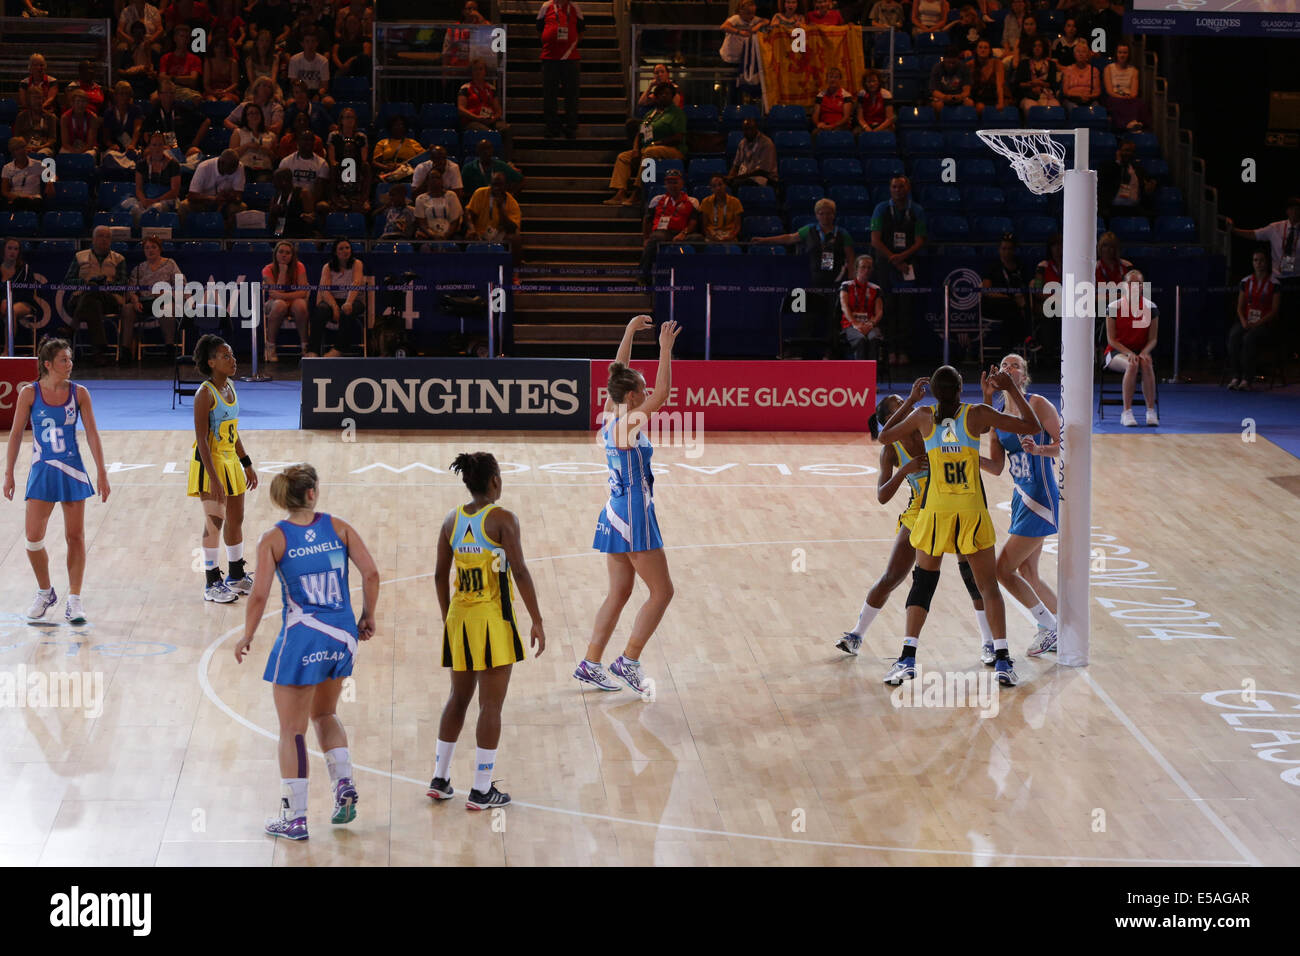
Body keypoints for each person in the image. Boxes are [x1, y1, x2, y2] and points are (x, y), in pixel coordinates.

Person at [234, 462, 380, 840]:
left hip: (303, 637)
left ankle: (294, 817)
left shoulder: (274, 538)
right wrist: (367, 616)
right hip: (341, 636)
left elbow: (261, 594)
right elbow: (371, 574)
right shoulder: (339, 527)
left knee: (291, 731)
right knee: (326, 713)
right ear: (312, 493)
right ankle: (343, 785)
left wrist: (247, 634)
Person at [876, 365, 1042, 687]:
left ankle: (907, 659)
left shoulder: (923, 416)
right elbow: (1032, 426)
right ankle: (1003, 660)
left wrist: (911, 401)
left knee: (923, 584)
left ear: (935, 393)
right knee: (988, 587)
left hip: (937, 512)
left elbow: (884, 435)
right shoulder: (977, 413)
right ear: (961, 388)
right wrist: (1010, 390)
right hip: (970, 512)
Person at [836, 384, 998, 661]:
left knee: (972, 578)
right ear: (891, 419)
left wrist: (986, 398)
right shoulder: (891, 449)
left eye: (907, 403)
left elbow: (976, 431)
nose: (908, 408)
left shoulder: (931, 426)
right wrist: (905, 471)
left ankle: (989, 643)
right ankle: (856, 634)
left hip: (954, 507)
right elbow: (882, 496)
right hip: (919, 513)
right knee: (892, 577)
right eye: (899, 406)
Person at [428, 452, 546, 809]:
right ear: (494, 480)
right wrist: (537, 619)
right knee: (490, 705)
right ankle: (480, 789)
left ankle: (440, 778)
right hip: (494, 620)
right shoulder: (503, 520)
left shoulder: (451, 519)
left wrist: (449, 618)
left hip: (460, 618)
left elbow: (438, 575)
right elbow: (521, 572)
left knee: (457, 700)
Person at [577, 315, 679, 694]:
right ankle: (629, 660)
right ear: (633, 397)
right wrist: (665, 351)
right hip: (633, 512)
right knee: (663, 592)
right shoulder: (628, 424)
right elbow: (663, 395)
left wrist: (628, 333)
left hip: (615, 511)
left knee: (619, 593)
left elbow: (616, 371)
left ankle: (590, 663)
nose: (646, 386)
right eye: (641, 386)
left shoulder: (612, 410)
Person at [3, 337, 110, 625]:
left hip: (72, 471)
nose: (70, 364)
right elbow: (15, 436)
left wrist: (101, 471)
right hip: (42, 471)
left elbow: (92, 434)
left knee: (75, 537)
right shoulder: (29, 393)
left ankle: (74, 600)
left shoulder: (80, 393)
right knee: (33, 539)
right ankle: (45, 591)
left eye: (70, 359)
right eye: (64, 359)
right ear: (48, 364)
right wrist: (9, 472)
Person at [979, 353, 1061, 658]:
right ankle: (1069, 628)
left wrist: (1040, 449)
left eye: (1015, 365)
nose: (1009, 368)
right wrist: (965, 457)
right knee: (1028, 571)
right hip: (1020, 495)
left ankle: (1047, 628)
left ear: (1023, 376)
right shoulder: (999, 416)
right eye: (1004, 364)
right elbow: (997, 466)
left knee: (1003, 569)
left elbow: (1066, 443)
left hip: (1039, 495)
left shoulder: (1037, 403)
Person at [187, 334, 257, 604]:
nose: (233, 360)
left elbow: (233, 431)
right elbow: (202, 439)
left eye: (232, 355)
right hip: (211, 462)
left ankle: (236, 574)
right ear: (211, 362)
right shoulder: (204, 393)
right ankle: (211, 582)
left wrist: (246, 462)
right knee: (214, 522)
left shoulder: (230, 387)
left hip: (230, 459)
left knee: (236, 519)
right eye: (226, 356)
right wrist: (213, 478)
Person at [755, 197, 855, 355]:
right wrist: (765, 240)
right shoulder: (809, 230)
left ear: (834, 215)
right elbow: (789, 238)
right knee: (807, 318)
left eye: (829, 213)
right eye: (821, 213)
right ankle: (799, 354)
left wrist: (850, 285)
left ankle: (830, 355)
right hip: (813, 283)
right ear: (816, 215)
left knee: (833, 321)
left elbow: (850, 259)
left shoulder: (843, 234)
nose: (825, 217)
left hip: (835, 284)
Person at [870, 175, 926, 367]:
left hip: (908, 265)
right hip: (886, 265)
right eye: (894, 186)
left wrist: (902, 258)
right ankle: (890, 351)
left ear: (907, 188)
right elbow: (875, 240)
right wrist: (894, 258)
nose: (897, 190)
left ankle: (903, 351)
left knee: (906, 309)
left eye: (901, 186)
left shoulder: (916, 210)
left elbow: (920, 240)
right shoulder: (881, 209)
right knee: (887, 308)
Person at [61, 226, 134, 367]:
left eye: (107, 237)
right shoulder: (80, 256)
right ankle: (98, 351)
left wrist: (106, 284)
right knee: (92, 300)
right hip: (80, 297)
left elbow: (124, 283)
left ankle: (72, 327)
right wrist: (86, 282)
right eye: (100, 236)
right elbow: (68, 281)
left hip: (110, 299)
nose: (104, 239)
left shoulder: (119, 259)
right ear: (93, 239)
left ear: (111, 240)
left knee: (93, 294)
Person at [604, 82, 686, 206]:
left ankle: (638, 192)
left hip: (673, 150)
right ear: (657, 96)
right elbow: (640, 134)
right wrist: (636, 149)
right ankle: (620, 192)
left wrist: (656, 143)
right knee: (623, 157)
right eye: (661, 93)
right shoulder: (650, 114)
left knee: (650, 152)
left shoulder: (677, 113)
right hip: (649, 148)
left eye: (667, 94)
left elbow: (678, 137)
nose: (664, 96)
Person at [1102, 269, 1159, 427]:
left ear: (1142, 287)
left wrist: (1144, 352)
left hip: (1141, 351)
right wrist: (1129, 353)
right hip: (1116, 352)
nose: (1134, 287)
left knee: (1146, 362)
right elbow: (1111, 339)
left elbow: (1153, 339)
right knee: (1132, 364)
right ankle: (1126, 412)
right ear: (1124, 286)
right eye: (1130, 283)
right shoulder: (1114, 306)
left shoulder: (1151, 307)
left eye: (1138, 284)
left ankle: (1150, 411)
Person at [1226, 249, 1281, 391]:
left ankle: (1246, 379)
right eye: (1255, 260)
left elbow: (1274, 310)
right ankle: (1235, 376)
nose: (1258, 263)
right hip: (1247, 321)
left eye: (1261, 260)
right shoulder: (1245, 281)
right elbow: (1239, 307)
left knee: (1249, 338)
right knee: (1234, 336)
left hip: (1264, 324)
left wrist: (1257, 324)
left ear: (1266, 263)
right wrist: (1244, 322)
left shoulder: (1274, 283)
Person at [124, 235, 182, 358]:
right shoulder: (139, 268)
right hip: (144, 302)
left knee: (166, 308)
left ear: (160, 249)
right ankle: (126, 351)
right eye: (147, 248)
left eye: (153, 247)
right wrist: (134, 301)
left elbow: (180, 283)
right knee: (127, 309)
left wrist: (167, 292)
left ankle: (170, 347)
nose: (150, 250)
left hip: (163, 300)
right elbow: (131, 289)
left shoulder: (170, 263)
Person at [638, 168, 697, 283]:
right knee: (655, 238)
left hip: (681, 233)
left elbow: (693, 222)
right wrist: (646, 238)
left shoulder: (692, 201)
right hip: (663, 232)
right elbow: (647, 220)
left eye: (675, 182)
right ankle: (643, 275)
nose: (672, 185)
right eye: (669, 182)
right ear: (665, 184)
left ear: (682, 183)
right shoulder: (657, 199)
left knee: (698, 239)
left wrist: (683, 233)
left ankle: (699, 275)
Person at [538, 0, 584, 139]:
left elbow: (581, 30)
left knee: (571, 94)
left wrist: (570, 45)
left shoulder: (575, 7)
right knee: (549, 94)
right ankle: (552, 127)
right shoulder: (546, 6)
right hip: (550, 58)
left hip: (570, 58)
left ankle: (570, 127)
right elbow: (539, 28)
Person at [311, 239, 365, 357]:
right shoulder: (327, 267)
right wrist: (335, 307)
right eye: (341, 248)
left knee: (347, 311)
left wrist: (348, 303)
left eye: (347, 248)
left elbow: (356, 283)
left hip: (354, 300)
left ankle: (339, 349)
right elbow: (324, 289)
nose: (345, 251)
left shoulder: (357, 264)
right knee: (320, 310)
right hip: (333, 300)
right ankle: (313, 351)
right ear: (335, 252)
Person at [262, 240, 311, 361]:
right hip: (272, 304)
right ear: (275, 254)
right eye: (281, 252)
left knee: (300, 305)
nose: (284, 255)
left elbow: (303, 292)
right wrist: (283, 271)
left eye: (288, 253)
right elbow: (275, 294)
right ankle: (270, 346)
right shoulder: (267, 269)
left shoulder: (299, 266)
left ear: (292, 255)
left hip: (293, 302)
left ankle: (305, 347)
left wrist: (280, 295)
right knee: (280, 305)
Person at [983, 233, 1030, 351]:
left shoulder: (1021, 266)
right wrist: (1006, 297)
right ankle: (1028, 338)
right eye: (1004, 248)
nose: (1007, 252)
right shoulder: (992, 267)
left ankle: (1006, 353)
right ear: (999, 250)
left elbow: (1026, 287)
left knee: (1011, 314)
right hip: (994, 304)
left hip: (1014, 306)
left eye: (1010, 249)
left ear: (1014, 250)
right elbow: (987, 291)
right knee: (1013, 308)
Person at [458, 57, 513, 158]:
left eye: (480, 69)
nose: (478, 72)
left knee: (505, 129)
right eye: (475, 69)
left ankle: (507, 160)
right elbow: (461, 108)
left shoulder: (491, 88)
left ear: (485, 71)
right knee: (487, 132)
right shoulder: (465, 88)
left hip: (490, 120)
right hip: (472, 121)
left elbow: (498, 110)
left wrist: (493, 119)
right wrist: (476, 117)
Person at [181, 148, 247, 229]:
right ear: (221, 163)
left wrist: (230, 196)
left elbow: (239, 196)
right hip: (204, 201)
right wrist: (213, 199)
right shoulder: (204, 167)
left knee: (241, 207)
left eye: (235, 167)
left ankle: (231, 238)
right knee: (184, 206)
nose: (234, 170)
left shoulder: (239, 167)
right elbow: (192, 196)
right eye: (231, 167)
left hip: (226, 202)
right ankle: (185, 236)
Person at [465, 172, 522, 254]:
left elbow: (512, 228)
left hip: (500, 234)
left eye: (500, 185)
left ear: (506, 186)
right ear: (490, 184)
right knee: (469, 236)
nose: (496, 188)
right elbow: (468, 212)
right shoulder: (480, 193)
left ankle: (515, 266)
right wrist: (471, 229)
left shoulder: (512, 203)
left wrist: (500, 209)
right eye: (494, 185)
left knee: (515, 239)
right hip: (480, 233)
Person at [839, 254, 883, 360]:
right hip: (850, 325)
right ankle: (860, 375)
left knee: (873, 338)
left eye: (869, 267)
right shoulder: (846, 286)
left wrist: (871, 324)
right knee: (860, 339)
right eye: (863, 267)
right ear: (856, 268)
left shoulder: (876, 289)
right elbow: (844, 307)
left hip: (869, 324)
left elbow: (879, 312)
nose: (866, 270)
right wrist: (856, 323)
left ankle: (873, 374)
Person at [1102, 43, 1151, 133]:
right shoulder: (1108, 68)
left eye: (1125, 53)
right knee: (1117, 103)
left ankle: (1136, 124)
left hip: (1128, 97)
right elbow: (1109, 90)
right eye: (1120, 52)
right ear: (1116, 54)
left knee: (1139, 103)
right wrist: (1121, 97)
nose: (1122, 55)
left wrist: (1128, 97)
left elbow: (1134, 92)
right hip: (1114, 96)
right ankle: (1127, 125)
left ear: (1128, 54)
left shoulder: (1134, 70)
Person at [0, 239, 37, 348]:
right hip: (2, 302)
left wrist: (8, 302)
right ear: (3, 250)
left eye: (16, 249)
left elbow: (26, 292)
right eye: (9, 248)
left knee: (11, 311)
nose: (12, 252)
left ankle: (7, 352)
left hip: (23, 303)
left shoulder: (24, 269)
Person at [2, 136, 54, 212]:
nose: (21, 151)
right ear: (13, 152)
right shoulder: (7, 168)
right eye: (17, 149)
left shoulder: (37, 164)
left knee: (35, 204)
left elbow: (52, 175)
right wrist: (15, 197)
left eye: (22, 147)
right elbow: (4, 191)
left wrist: (49, 183)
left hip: (34, 199)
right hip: (16, 199)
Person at [727, 115, 777, 190]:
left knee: (739, 184)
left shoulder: (766, 143)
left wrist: (738, 177)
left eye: (750, 129)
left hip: (765, 178)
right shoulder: (742, 143)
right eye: (745, 129)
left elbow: (762, 171)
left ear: (756, 129)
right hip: (745, 177)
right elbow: (736, 165)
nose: (747, 132)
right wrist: (729, 177)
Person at [231, 102, 276, 181]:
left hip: (264, 169)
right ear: (246, 117)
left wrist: (268, 152)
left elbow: (275, 159)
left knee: (264, 180)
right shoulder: (238, 132)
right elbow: (231, 155)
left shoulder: (271, 135)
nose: (254, 115)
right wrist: (247, 146)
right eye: (251, 113)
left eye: (257, 113)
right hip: (245, 168)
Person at [415, 167, 463, 240]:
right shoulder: (420, 199)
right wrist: (433, 235)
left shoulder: (451, 196)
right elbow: (422, 224)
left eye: (438, 178)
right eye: (432, 178)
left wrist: (446, 235)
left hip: (450, 234)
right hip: (429, 235)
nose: (435, 180)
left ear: (442, 180)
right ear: (427, 181)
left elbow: (455, 221)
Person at [1013, 36, 1059, 113]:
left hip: (1047, 95)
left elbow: (1053, 84)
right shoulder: (1023, 64)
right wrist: (1030, 84)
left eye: (1040, 46)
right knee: (1032, 108)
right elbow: (1017, 84)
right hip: (1028, 95)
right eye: (1034, 46)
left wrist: (1041, 84)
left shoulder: (1051, 64)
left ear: (1044, 48)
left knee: (1055, 107)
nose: (1037, 48)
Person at [13, 86, 58, 159]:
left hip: (44, 148)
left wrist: (40, 147)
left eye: (40, 98)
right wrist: (25, 147)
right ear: (29, 100)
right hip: (25, 147)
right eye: (34, 98)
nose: (38, 101)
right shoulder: (21, 116)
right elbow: (16, 137)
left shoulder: (50, 117)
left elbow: (52, 139)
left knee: (41, 154)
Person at [697, 174, 743, 243]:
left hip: (729, 234)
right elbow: (705, 226)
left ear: (725, 185)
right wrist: (710, 236)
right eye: (714, 186)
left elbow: (737, 226)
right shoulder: (705, 202)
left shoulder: (735, 202)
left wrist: (731, 236)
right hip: (712, 233)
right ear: (711, 189)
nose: (718, 188)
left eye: (720, 184)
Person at [929, 46, 972, 116]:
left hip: (959, 97)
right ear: (944, 59)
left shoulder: (964, 68)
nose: (951, 65)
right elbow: (934, 91)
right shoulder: (937, 68)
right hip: (942, 97)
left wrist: (960, 96)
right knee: (938, 105)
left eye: (954, 63)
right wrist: (945, 97)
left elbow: (967, 90)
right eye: (948, 62)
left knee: (969, 103)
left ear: (957, 60)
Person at [1059, 40, 1101, 110]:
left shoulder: (1094, 70)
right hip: (1072, 100)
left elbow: (1097, 92)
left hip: (1089, 100)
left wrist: (1087, 96)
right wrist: (1079, 96)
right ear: (1074, 55)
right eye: (1078, 52)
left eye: (1083, 52)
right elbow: (1065, 91)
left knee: (1096, 108)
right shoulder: (1068, 70)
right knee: (1074, 108)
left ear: (1087, 55)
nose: (1081, 54)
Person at [967, 38, 1005, 115]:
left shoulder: (997, 63)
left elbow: (999, 85)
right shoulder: (970, 64)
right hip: (977, 96)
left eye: (985, 48)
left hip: (993, 95)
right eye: (980, 47)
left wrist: (1000, 102)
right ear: (976, 50)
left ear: (990, 50)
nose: (983, 50)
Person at [813, 66, 854, 134]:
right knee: (815, 133)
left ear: (840, 79)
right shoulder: (820, 95)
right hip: (824, 125)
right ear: (827, 79)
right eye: (831, 77)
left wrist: (832, 126)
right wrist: (818, 124)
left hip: (840, 126)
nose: (833, 80)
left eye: (836, 77)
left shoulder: (846, 95)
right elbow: (815, 115)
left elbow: (846, 117)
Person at [856, 68, 895, 133]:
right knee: (856, 133)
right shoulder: (861, 94)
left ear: (879, 82)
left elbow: (889, 119)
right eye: (869, 82)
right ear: (865, 83)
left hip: (882, 125)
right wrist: (866, 127)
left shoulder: (886, 94)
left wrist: (875, 131)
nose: (872, 84)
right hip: (867, 125)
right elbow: (860, 118)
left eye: (874, 81)